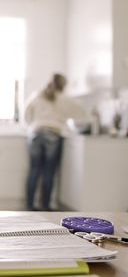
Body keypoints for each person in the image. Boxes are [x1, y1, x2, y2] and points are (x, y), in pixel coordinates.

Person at [24, 73, 88, 211]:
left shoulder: (37, 95)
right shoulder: (65, 99)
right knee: (49, 172)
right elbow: (82, 115)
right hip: (53, 134)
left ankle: (30, 205)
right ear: (63, 85)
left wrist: (33, 124)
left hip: (35, 133)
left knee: (34, 170)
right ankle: (46, 206)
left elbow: (26, 113)